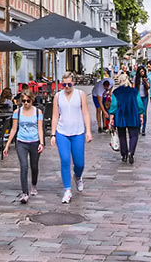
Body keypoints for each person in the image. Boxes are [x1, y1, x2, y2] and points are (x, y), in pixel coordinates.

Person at [49, 73, 92, 204]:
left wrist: (88, 131)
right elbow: (55, 116)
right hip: (62, 132)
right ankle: (67, 190)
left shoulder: (80, 94)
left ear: (73, 83)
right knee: (65, 160)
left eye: (69, 84)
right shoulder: (58, 96)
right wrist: (53, 134)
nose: (67, 87)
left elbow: (85, 113)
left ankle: (78, 177)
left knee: (79, 163)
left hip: (78, 131)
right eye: (64, 84)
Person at [3, 90, 44, 204]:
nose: (26, 103)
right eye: (24, 101)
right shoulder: (17, 112)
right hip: (21, 142)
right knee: (24, 166)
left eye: (28, 101)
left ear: (32, 100)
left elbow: (40, 128)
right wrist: (7, 145)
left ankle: (34, 185)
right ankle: (24, 193)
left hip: (35, 141)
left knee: (34, 166)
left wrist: (41, 143)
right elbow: (13, 129)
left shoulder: (38, 112)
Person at [109, 75, 143, 164]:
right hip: (133, 114)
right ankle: (131, 152)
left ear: (120, 81)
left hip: (121, 115)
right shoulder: (134, 91)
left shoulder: (116, 92)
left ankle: (124, 154)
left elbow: (114, 105)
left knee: (122, 135)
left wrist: (111, 116)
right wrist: (141, 115)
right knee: (134, 135)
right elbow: (139, 104)